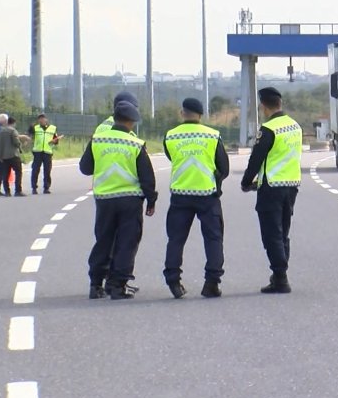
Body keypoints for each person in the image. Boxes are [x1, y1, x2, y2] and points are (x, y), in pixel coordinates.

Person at [79, 101, 158, 300]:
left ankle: (96, 284)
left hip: (104, 200)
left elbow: (85, 168)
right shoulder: (135, 144)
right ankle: (117, 285)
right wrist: (151, 200)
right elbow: (147, 176)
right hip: (130, 201)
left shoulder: (97, 140)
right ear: (132, 122)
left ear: (114, 119)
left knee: (103, 240)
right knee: (126, 242)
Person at [162, 98, 230, 299]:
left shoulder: (170, 136)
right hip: (207, 196)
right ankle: (212, 283)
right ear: (201, 115)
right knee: (213, 239)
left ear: (182, 113)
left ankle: (173, 281)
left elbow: (172, 158)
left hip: (180, 196)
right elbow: (224, 168)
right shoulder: (213, 135)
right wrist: (215, 182)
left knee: (176, 239)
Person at [241, 86, 302, 294]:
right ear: (280, 103)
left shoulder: (269, 129)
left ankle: (280, 277)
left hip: (271, 187)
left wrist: (246, 181)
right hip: (292, 185)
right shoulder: (295, 126)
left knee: (271, 234)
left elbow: (256, 158)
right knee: (283, 232)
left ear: (263, 106)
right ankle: (279, 274)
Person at [28, 113, 62, 194]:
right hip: (37, 152)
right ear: (38, 120)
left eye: (43, 118)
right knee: (35, 170)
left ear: (46, 119)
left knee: (47, 170)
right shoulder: (35, 128)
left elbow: (56, 140)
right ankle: (34, 188)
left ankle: (46, 187)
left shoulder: (53, 128)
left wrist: (55, 141)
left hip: (47, 152)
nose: (42, 120)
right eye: (40, 119)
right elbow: (29, 135)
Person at [0, 116, 27, 197]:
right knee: (18, 172)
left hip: (4, 156)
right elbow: (16, 143)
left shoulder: (1, 132)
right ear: (14, 123)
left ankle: (7, 191)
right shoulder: (13, 131)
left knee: (5, 174)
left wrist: (0, 156)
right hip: (14, 155)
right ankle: (18, 190)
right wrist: (22, 145)